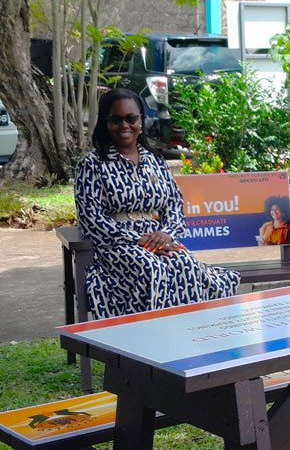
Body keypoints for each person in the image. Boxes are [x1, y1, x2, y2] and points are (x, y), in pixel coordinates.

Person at [74, 88, 240, 319]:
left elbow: (174, 204)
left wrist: (166, 234)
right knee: (152, 268)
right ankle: (147, 342)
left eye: (131, 118)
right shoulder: (92, 165)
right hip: (117, 245)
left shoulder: (155, 161)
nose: (125, 125)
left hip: (159, 239)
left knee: (186, 265)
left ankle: (190, 337)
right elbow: (91, 218)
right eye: (116, 119)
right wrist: (138, 239)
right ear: (105, 123)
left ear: (141, 121)